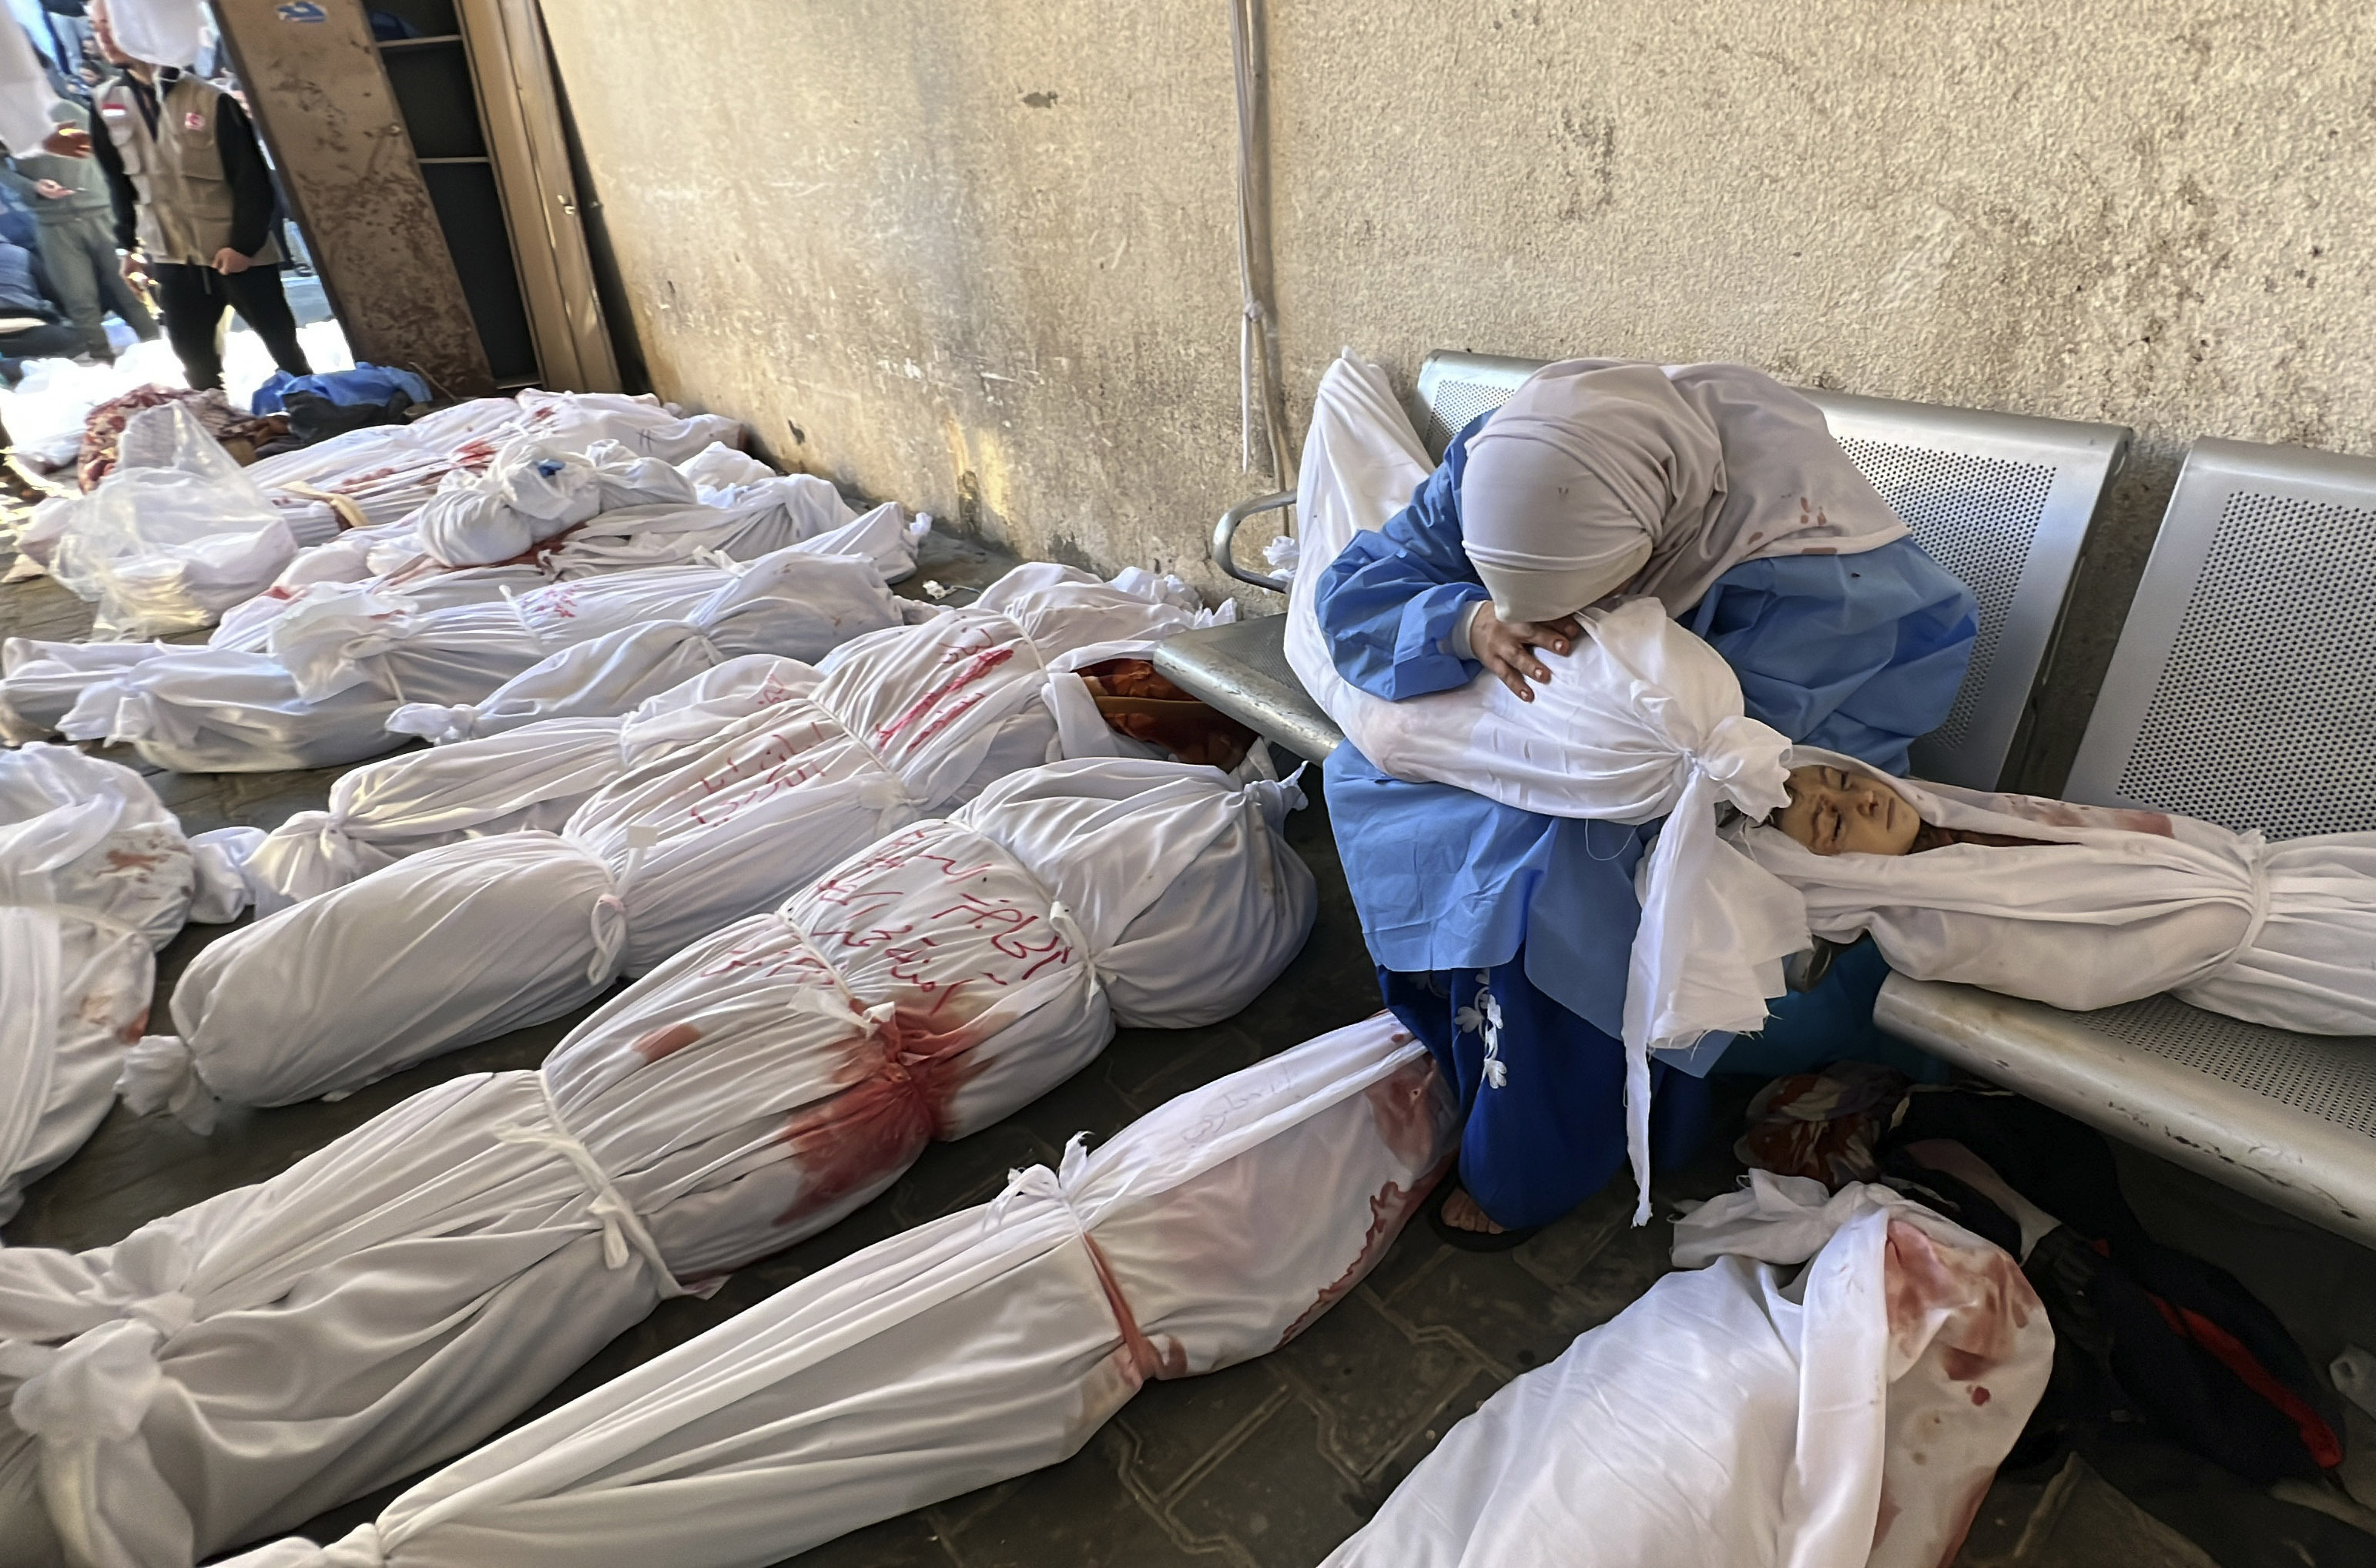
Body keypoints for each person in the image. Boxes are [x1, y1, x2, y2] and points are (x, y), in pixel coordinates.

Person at [1313, 359, 1980, 1243]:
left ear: (1656, 536)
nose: (1578, 615)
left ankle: (1543, 1155)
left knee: (1551, 876)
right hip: (1580, 741)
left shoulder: (1805, 563)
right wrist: (1469, 623)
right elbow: (1361, 592)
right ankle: (1470, 1045)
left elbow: (1754, 759)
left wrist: (1568, 728)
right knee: (1374, 776)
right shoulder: (1511, 467)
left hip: (1773, 769)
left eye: (1599, 591)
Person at [1741, 748, 2376, 1036]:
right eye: (1832, 822)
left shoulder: (1952, 816)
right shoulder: (1928, 929)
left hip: (2288, 877)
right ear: (1821, 877)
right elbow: (2088, 972)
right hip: (2277, 952)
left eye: (1841, 779)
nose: (1862, 797)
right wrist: (2212, 913)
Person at [82, 0, 310, 392]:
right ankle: (229, 438)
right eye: (97, 28)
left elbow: (252, 182)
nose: (103, 37)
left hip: (236, 256)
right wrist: (128, 248)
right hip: (171, 257)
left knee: (284, 349)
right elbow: (119, 185)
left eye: (111, 25)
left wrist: (244, 246)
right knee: (195, 364)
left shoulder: (208, 99)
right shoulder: (106, 104)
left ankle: (319, 418)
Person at [1, 96, 160, 359]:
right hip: (52, 222)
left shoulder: (70, 109)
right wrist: (33, 188)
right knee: (79, 301)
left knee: (128, 290)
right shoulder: (9, 124)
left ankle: (158, 351)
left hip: (100, 210)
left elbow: (111, 149)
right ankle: (104, 365)